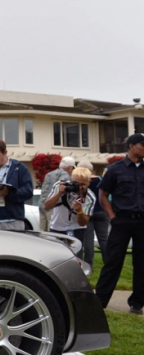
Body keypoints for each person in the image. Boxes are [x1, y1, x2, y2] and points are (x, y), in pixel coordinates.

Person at [95, 133, 144, 314]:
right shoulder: (115, 169)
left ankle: (137, 303)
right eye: (142, 144)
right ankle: (100, 302)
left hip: (142, 221)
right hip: (121, 220)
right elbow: (103, 195)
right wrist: (112, 217)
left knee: (141, 263)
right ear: (131, 145)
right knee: (113, 261)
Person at [43, 167, 95, 260]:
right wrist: (59, 193)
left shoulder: (90, 197)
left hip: (77, 229)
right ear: (71, 179)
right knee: (55, 257)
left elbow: (83, 223)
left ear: (89, 183)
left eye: (83, 184)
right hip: (57, 228)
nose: (79, 187)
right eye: (76, 183)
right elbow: (46, 207)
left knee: (75, 258)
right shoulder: (60, 186)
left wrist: (79, 211)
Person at [78, 160, 109, 268]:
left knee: (88, 238)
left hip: (87, 212)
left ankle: (89, 264)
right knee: (103, 238)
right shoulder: (100, 179)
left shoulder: (82, 181)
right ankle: (108, 262)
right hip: (101, 210)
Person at [39, 156, 75, 232]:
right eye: (72, 168)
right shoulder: (65, 175)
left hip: (42, 204)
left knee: (42, 234)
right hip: (52, 207)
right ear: (69, 167)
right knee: (51, 236)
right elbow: (63, 191)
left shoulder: (49, 174)